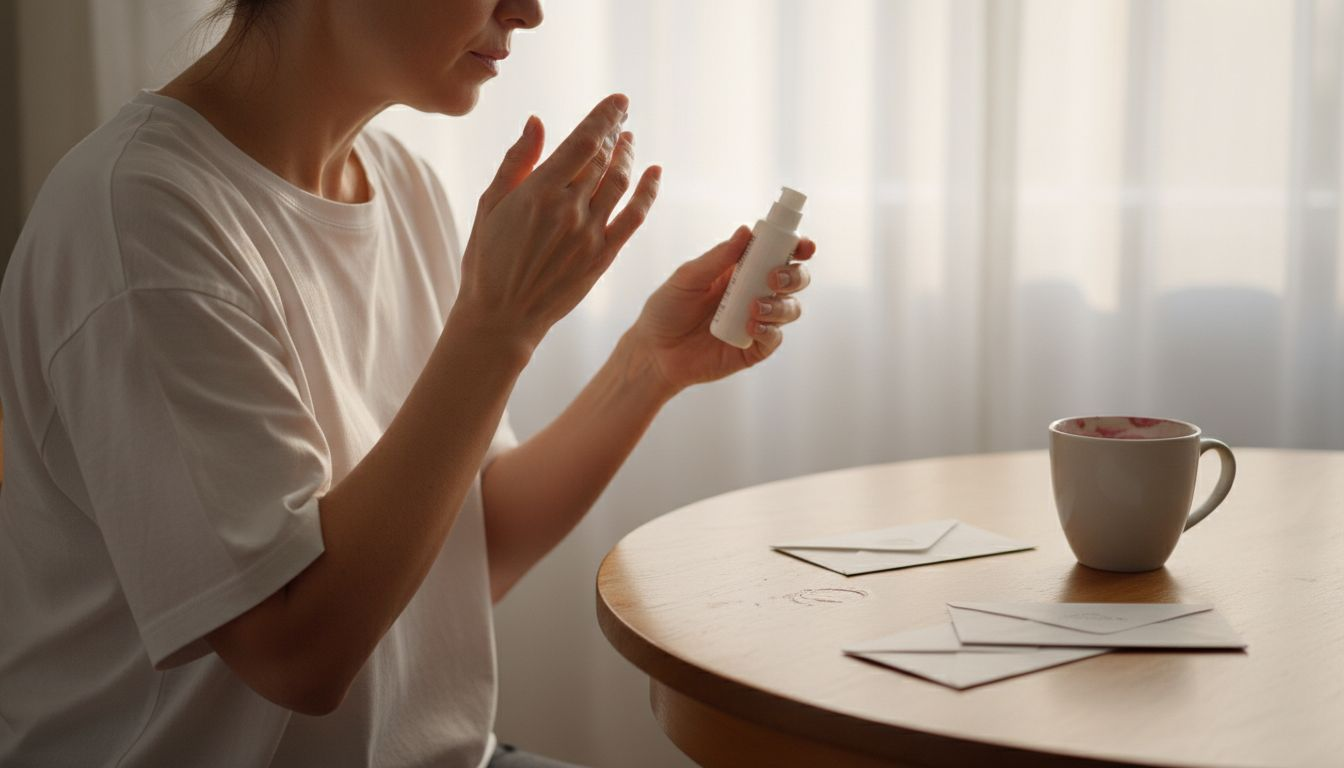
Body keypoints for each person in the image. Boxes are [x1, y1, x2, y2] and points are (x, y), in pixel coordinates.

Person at [0, 0, 815, 766]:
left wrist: (648, 366)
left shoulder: (400, 181)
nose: (529, 10)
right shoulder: (144, 221)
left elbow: (465, 547)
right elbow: (298, 655)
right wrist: (499, 326)